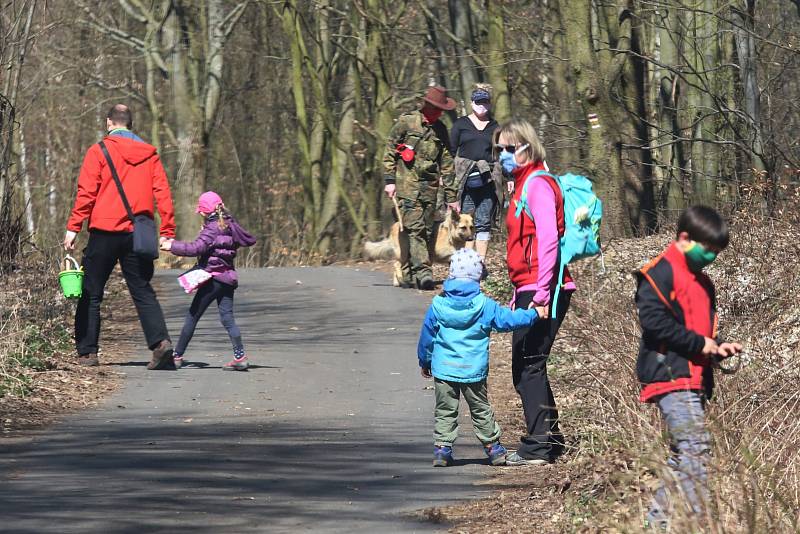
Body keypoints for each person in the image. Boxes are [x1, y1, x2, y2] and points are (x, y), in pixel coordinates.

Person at [636, 206, 742, 528]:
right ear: (685, 238)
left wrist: (717, 345)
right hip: (669, 374)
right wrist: (699, 344)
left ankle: (657, 525)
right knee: (696, 447)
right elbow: (653, 322)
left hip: (694, 376)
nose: (711, 257)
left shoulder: (703, 283)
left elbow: (698, 329)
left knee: (684, 453)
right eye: (708, 250)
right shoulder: (659, 273)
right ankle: (696, 523)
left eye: (716, 253)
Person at [64, 104, 176, 370]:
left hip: (104, 231)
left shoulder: (98, 150)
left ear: (108, 123)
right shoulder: (150, 154)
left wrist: (74, 226)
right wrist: (168, 231)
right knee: (142, 290)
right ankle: (160, 344)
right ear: (131, 124)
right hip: (138, 232)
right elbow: (163, 193)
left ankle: (88, 353)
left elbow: (86, 192)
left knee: (91, 292)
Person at [496, 118, 575, 466]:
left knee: (528, 364)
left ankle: (538, 446)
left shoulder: (538, 185)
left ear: (527, 147)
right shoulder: (522, 184)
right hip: (528, 287)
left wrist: (541, 294)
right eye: (499, 149)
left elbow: (548, 244)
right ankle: (550, 440)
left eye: (509, 149)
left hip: (545, 288)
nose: (503, 155)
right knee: (528, 363)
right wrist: (520, 294)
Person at [417, 248, 539, 467]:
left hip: (444, 368)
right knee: (481, 409)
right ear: (477, 277)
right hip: (473, 369)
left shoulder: (438, 305)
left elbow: (427, 337)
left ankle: (442, 450)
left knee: (445, 410)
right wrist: (533, 314)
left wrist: (425, 361)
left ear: (451, 274)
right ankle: (494, 450)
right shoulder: (485, 306)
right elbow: (508, 320)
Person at [161, 192, 256, 371]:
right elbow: (242, 242)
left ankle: (177, 356)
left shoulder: (212, 228)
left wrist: (171, 246)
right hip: (228, 278)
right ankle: (240, 357)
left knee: (192, 316)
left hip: (212, 279)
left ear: (204, 212)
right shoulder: (230, 225)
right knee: (228, 319)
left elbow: (196, 248)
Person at [383, 85, 460, 290]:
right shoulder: (406, 123)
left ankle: (408, 274)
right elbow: (390, 150)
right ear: (426, 105)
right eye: (435, 108)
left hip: (430, 188)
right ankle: (425, 272)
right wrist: (389, 180)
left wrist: (452, 196)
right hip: (407, 185)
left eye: (441, 109)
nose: (438, 112)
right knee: (414, 227)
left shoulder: (441, 130)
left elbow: (447, 163)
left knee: (424, 230)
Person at [449, 85, 504, 263]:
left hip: (488, 180)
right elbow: (449, 152)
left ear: (490, 104)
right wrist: (446, 175)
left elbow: (503, 153)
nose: (482, 106)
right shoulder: (460, 125)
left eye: (485, 102)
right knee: (466, 221)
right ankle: (465, 263)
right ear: (472, 103)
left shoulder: (496, 127)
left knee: (483, 221)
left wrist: (509, 177)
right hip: (465, 180)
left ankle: (479, 264)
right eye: (479, 102)